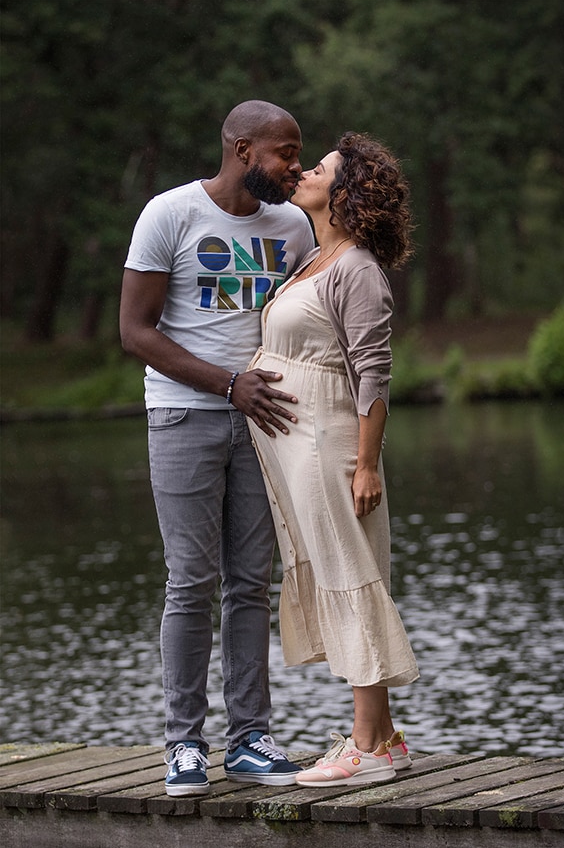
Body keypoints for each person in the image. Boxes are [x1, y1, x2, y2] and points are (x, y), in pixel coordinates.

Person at [120, 101, 316, 796]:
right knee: (190, 581)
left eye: (298, 153)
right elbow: (135, 330)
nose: (295, 166)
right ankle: (183, 744)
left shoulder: (292, 227)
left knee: (251, 584)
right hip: (183, 416)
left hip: (266, 420)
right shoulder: (169, 214)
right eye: (285, 152)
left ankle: (250, 739)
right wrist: (227, 384)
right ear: (242, 150)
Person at [247, 132, 419, 787]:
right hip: (300, 447)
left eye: (318, 168)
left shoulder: (357, 269)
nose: (304, 172)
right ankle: (387, 739)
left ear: (345, 192)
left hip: (331, 445)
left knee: (352, 577)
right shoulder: (317, 258)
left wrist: (367, 465)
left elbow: (374, 374)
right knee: (342, 575)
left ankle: (366, 746)